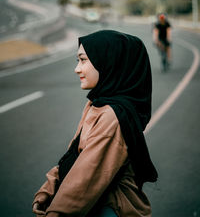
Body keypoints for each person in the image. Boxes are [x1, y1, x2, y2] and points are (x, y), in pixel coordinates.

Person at [32, 30, 158, 217]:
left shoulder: (113, 116)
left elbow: (85, 177)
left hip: (112, 209)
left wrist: (55, 212)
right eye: (78, 61)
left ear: (108, 63)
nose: (77, 69)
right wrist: (49, 189)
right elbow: (73, 155)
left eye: (83, 60)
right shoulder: (96, 103)